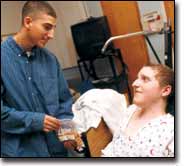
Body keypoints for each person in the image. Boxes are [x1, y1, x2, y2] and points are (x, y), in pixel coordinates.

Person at [1, 1, 78, 157]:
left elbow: (64, 101)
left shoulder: (51, 60)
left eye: (53, 29)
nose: (51, 35)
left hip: (56, 150)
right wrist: (35, 121)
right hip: (21, 152)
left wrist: (67, 132)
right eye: (47, 27)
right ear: (28, 22)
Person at [101, 64, 174, 157]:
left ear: (165, 90)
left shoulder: (170, 129)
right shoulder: (130, 111)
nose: (134, 84)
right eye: (137, 78)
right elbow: (114, 147)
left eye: (145, 79)